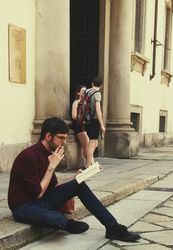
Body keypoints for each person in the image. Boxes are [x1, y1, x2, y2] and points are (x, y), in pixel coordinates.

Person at [7, 117, 140, 242]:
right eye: (61, 138)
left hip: (40, 200)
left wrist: (74, 179)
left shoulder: (49, 154)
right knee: (58, 219)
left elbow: (53, 186)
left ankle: (113, 227)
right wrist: (51, 167)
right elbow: (37, 193)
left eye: (65, 138)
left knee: (79, 185)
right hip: (23, 207)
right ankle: (67, 224)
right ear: (48, 136)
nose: (64, 143)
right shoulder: (29, 156)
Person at [85, 76, 105, 167]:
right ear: (101, 86)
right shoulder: (97, 94)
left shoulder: (86, 91)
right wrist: (102, 125)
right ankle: (88, 166)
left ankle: (91, 162)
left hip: (86, 120)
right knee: (92, 144)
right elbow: (98, 110)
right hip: (94, 120)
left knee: (94, 143)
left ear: (92, 83)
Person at [71, 85, 89, 163]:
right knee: (86, 145)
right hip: (79, 125)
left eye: (86, 90)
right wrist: (83, 119)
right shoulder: (76, 102)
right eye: (83, 91)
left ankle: (90, 163)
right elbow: (74, 116)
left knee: (88, 145)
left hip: (86, 126)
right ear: (78, 93)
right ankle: (91, 164)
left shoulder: (86, 102)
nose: (85, 92)